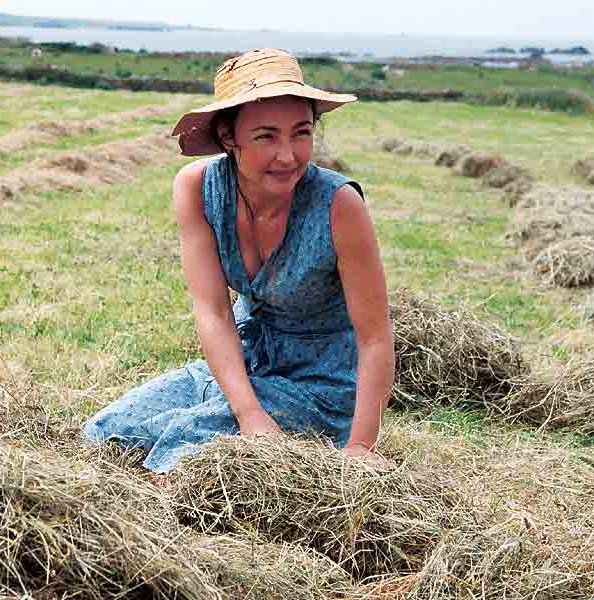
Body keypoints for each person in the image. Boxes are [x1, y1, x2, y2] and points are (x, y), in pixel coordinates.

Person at [83, 48, 395, 472]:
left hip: (319, 383)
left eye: (301, 133)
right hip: (245, 361)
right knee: (107, 434)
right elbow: (212, 311)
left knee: (183, 448)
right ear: (230, 137)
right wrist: (249, 413)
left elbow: (375, 336)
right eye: (267, 136)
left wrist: (361, 448)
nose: (288, 155)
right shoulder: (198, 188)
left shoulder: (338, 205)